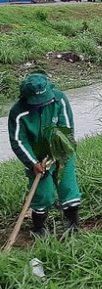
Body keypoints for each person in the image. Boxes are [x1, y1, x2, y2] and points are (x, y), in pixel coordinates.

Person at [7, 73, 81, 237]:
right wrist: (33, 163)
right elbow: (18, 141)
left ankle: (72, 225)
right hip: (36, 159)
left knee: (68, 187)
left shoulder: (60, 100)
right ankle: (40, 228)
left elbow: (67, 130)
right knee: (43, 195)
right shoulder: (18, 112)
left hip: (62, 153)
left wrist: (57, 154)